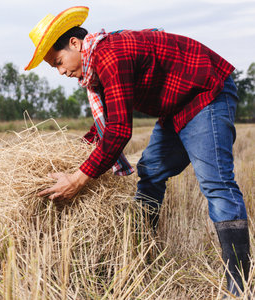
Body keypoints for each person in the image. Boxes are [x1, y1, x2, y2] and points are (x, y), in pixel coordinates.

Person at [26, 6, 250, 296]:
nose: (61, 71)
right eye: (54, 67)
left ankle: (240, 284)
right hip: (176, 107)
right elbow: (103, 126)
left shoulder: (110, 57)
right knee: (151, 171)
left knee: (215, 182)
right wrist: (71, 155)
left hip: (206, 94)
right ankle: (140, 257)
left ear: (75, 43)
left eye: (58, 62)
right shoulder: (97, 71)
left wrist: (78, 179)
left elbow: (119, 130)